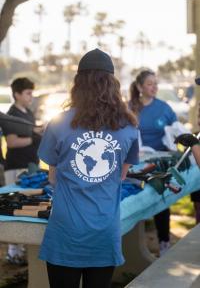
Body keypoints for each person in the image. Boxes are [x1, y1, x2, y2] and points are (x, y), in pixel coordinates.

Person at [38, 48, 139, 288]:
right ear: (113, 84)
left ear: (78, 84)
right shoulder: (129, 126)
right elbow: (121, 175)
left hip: (66, 232)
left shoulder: (59, 123)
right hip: (105, 230)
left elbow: (52, 176)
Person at [129, 69, 177, 256]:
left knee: (161, 200)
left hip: (160, 162)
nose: (154, 87)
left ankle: (164, 242)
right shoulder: (131, 107)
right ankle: (133, 247)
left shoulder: (164, 108)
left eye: (156, 83)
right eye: (150, 83)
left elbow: (176, 132)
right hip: (135, 163)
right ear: (140, 87)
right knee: (136, 199)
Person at [3, 77, 43, 265]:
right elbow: (11, 142)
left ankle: (25, 246)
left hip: (30, 165)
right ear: (17, 94)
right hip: (16, 166)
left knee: (28, 206)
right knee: (14, 206)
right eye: (27, 93)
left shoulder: (28, 113)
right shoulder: (11, 114)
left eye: (32, 93)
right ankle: (13, 252)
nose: (31, 96)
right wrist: (34, 138)